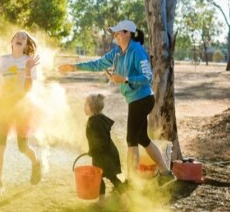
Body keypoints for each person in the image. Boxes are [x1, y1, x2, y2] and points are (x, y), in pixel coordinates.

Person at [59, 20, 176, 187]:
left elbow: (148, 77)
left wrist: (125, 79)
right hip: (135, 100)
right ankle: (166, 173)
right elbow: (97, 64)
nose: (115, 36)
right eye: (114, 33)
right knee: (142, 138)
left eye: (118, 33)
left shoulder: (137, 51)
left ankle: (131, 182)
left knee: (131, 140)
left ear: (128, 33)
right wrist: (74, 67)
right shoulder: (117, 53)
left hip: (142, 99)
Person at [0, 30, 42, 196]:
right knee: (0, 143)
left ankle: (36, 163)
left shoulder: (29, 61)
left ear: (25, 46)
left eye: (24, 38)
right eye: (17, 36)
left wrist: (27, 70)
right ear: (12, 42)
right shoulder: (3, 60)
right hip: (4, 106)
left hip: (22, 107)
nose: (20, 38)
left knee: (22, 146)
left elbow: (27, 89)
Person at [84, 94, 123, 202]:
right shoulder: (96, 119)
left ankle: (125, 198)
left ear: (92, 107)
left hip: (105, 156)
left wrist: (92, 151)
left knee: (109, 178)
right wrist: (93, 151)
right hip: (104, 154)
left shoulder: (95, 122)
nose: (84, 107)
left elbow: (101, 140)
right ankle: (102, 201)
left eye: (85, 105)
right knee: (103, 178)